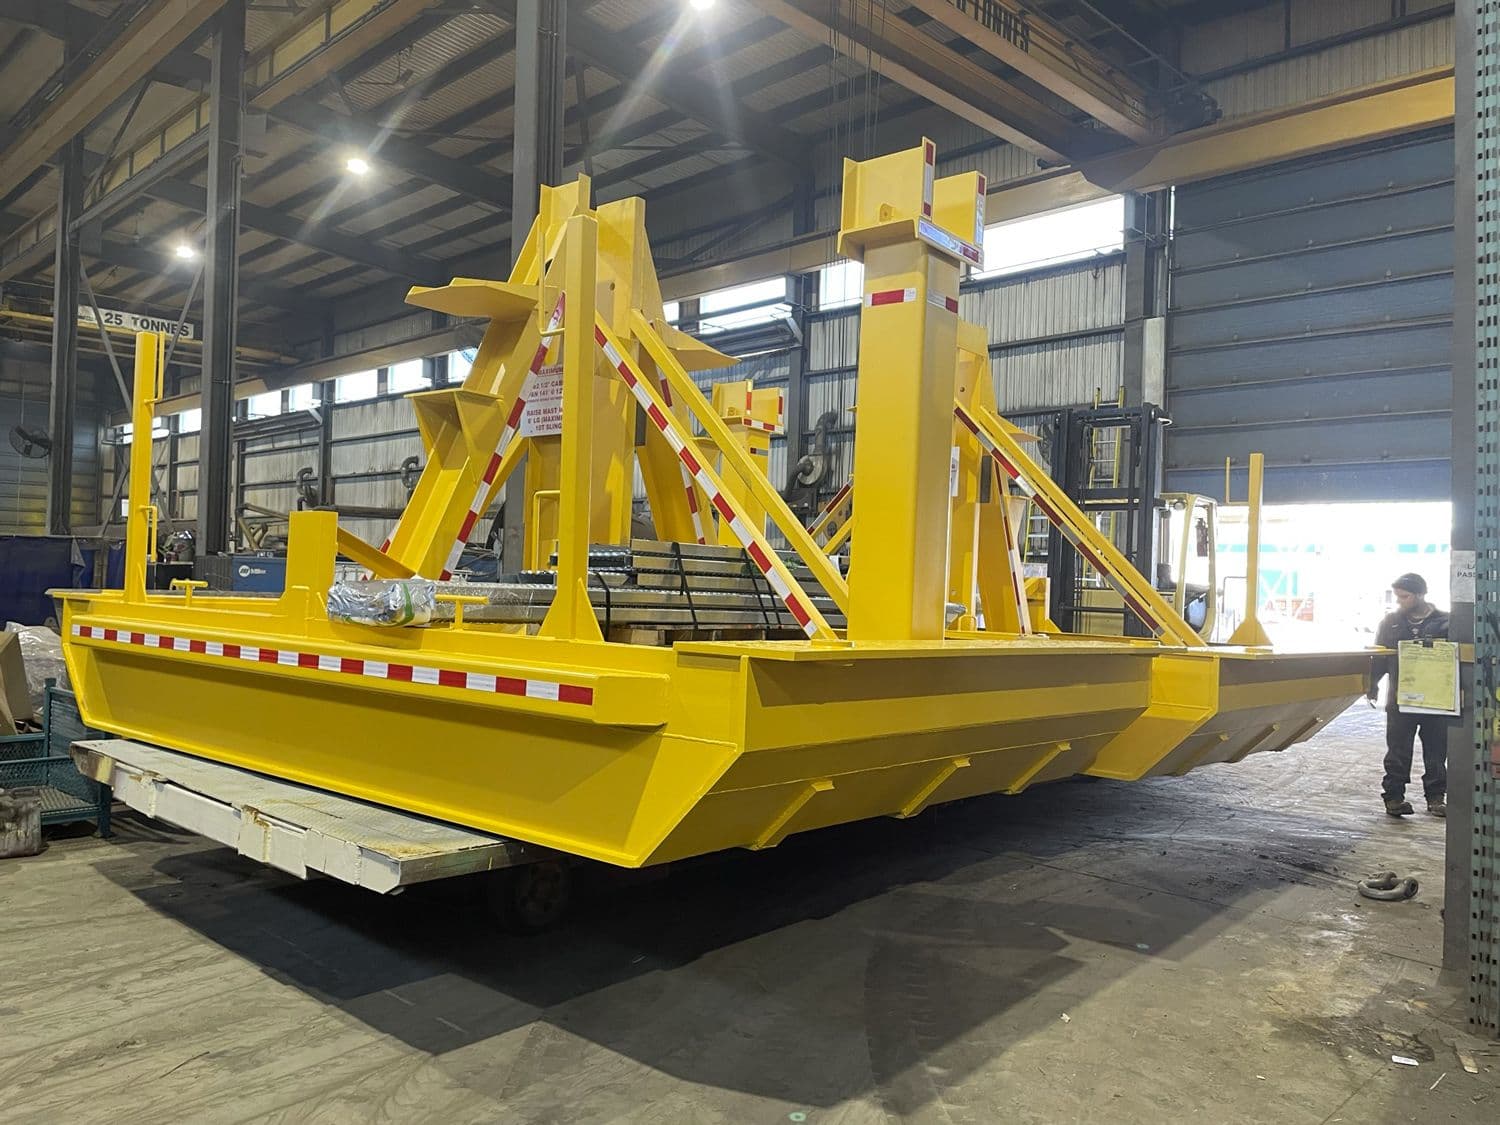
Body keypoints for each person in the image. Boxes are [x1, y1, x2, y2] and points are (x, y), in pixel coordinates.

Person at [1368, 573, 1450, 818]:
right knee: (1397, 750)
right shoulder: (1391, 622)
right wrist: (1372, 684)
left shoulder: (1446, 622)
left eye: (1404, 596)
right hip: (1400, 701)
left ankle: (1435, 798)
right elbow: (1380, 657)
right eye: (1398, 596)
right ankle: (1393, 798)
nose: (1400, 601)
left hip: (1436, 700)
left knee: (1436, 751)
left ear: (1420, 594)